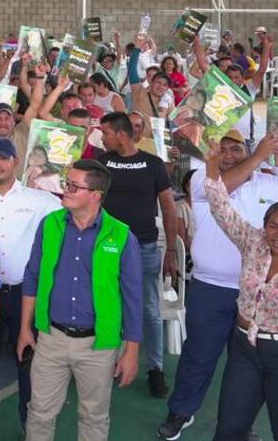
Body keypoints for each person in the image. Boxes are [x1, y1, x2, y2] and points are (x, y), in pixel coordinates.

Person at [158, 129, 278, 440]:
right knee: (198, 354)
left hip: (264, 298)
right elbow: (217, 193)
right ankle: (181, 411)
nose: (228, 155)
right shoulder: (201, 177)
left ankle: (243, 422)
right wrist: (259, 156)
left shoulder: (274, 185)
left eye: (236, 149)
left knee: (247, 367)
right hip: (210, 287)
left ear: (248, 150)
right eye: (222, 150)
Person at [18, 160, 143, 441]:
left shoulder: (121, 236)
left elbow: (134, 298)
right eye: (67, 183)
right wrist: (26, 328)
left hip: (98, 346)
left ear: (96, 195)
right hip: (50, 338)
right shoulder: (49, 225)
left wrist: (131, 351)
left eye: (74, 186)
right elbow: (32, 278)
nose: (66, 190)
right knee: (39, 413)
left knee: (94, 418)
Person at [201, 143, 278, 440]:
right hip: (245, 349)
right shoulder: (254, 242)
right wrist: (211, 167)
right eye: (273, 226)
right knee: (229, 428)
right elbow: (220, 207)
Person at [0, 137, 61, 432]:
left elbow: (69, 206)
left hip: (23, 294)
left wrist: (54, 180)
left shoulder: (37, 199)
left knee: (27, 358)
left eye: (3, 158)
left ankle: (28, 423)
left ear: (15, 162)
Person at [97, 111, 178, 397]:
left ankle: (155, 368)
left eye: (105, 132)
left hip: (144, 247)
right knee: (106, 308)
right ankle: (105, 364)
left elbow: (169, 207)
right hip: (107, 249)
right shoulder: (102, 163)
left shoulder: (154, 164)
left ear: (121, 134)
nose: (102, 137)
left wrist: (171, 249)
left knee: (150, 311)